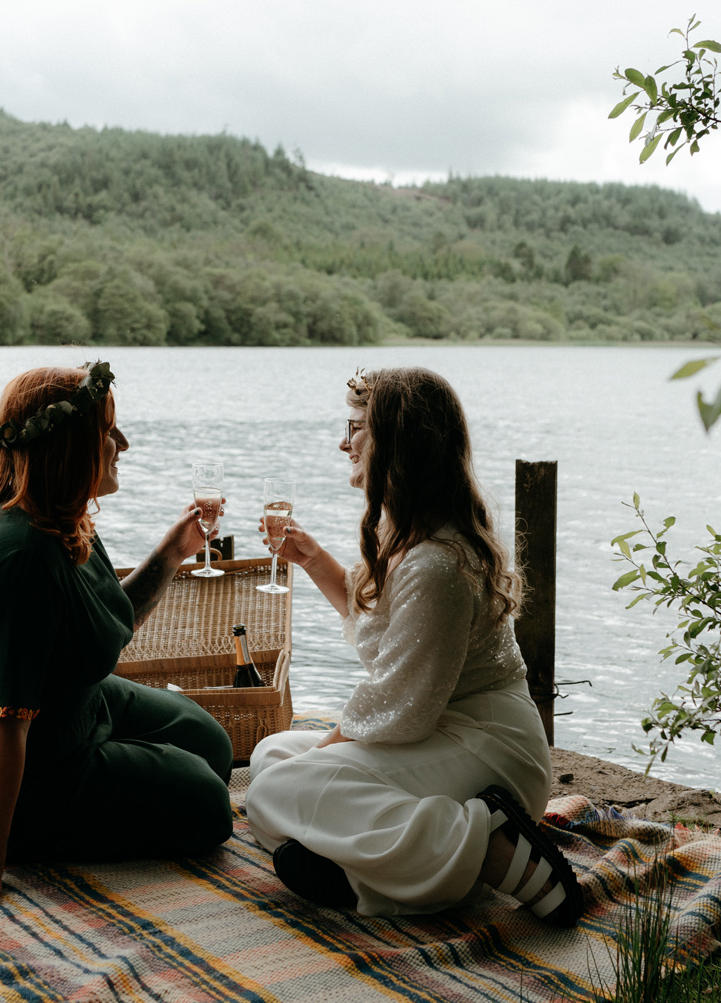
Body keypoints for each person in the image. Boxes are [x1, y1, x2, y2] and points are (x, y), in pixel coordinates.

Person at [245, 366, 584, 926]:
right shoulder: (407, 532)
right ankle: (372, 879)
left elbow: (399, 704)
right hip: (438, 728)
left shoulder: (437, 562)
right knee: (272, 757)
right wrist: (310, 559)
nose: (343, 442)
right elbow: (385, 633)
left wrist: (325, 752)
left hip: (489, 748)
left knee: (279, 787)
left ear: (396, 442)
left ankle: (489, 847)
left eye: (355, 428)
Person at [0, 361, 234, 916]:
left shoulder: (64, 519)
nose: (122, 443)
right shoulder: (17, 560)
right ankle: (26, 819)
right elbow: (4, 722)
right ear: (70, 450)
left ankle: (107, 766)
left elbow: (105, 618)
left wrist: (174, 551)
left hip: (66, 705)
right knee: (206, 804)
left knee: (213, 745)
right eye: (107, 432)